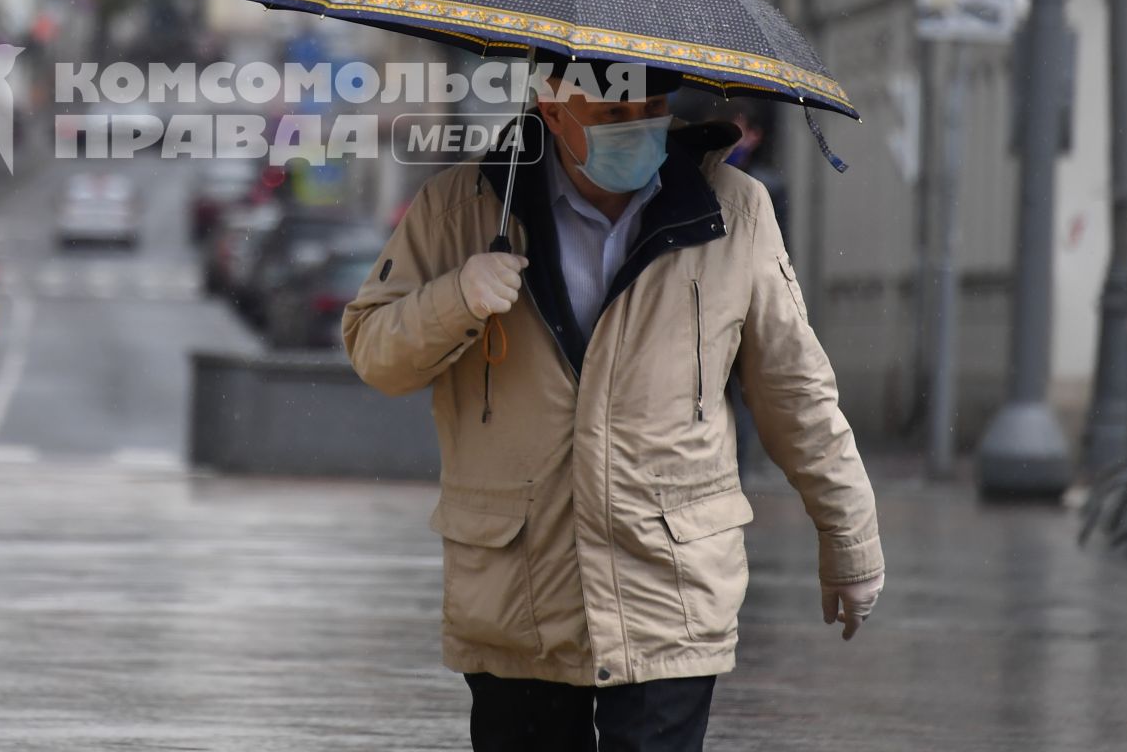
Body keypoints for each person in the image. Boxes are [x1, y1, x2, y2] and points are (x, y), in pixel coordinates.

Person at [342, 57, 883, 752]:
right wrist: (456, 299)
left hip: (669, 586)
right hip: (519, 593)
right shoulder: (461, 208)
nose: (638, 130)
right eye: (613, 115)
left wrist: (850, 539)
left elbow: (794, 391)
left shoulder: (735, 209)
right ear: (552, 111)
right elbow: (374, 354)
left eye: (649, 111)